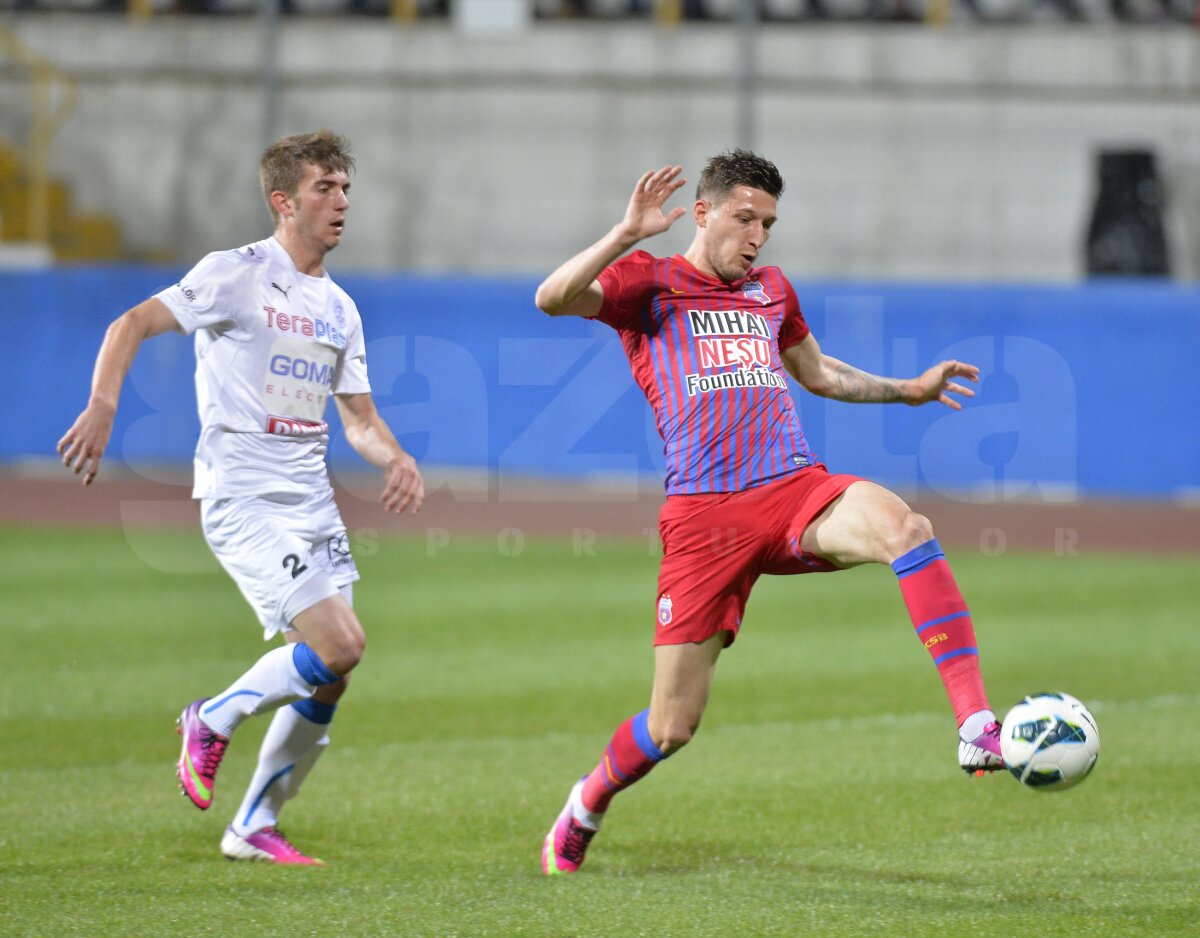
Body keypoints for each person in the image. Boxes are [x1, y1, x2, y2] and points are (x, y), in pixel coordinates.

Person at [534, 151, 1004, 876]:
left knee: (906, 529)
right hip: (704, 521)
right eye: (745, 219)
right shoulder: (649, 283)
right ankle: (587, 801)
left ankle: (975, 722)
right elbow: (552, 298)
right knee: (672, 725)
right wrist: (626, 234)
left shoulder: (772, 291)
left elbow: (817, 372)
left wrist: (907, 391)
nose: (757, 237)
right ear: (702, 213)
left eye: (769, 224)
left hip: (793, 489)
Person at [57, 129, 424, 865]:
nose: (341, 202)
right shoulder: (235, 273)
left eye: (346, 189)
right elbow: (131, 323)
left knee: (330, 676)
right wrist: (103, 403)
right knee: (341, 644)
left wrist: (397, 457)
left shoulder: (339, 308)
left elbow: (358, 418)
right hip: (244, 497)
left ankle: (254, 823)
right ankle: (214, 718)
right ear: (283, 202)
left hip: (312, 501)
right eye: (325, 188)